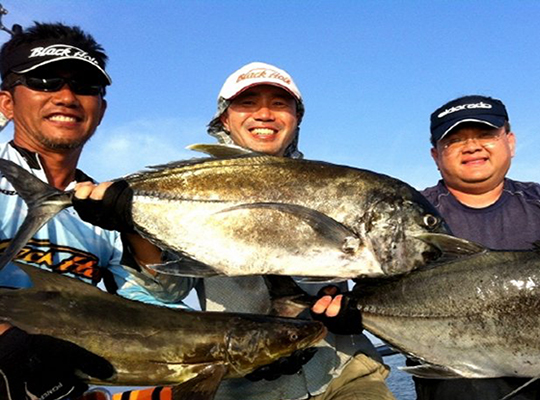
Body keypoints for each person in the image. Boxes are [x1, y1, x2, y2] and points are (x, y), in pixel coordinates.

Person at [0, 22, 194, 400]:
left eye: (86, 87)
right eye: (45, 82)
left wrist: (134, 226)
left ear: (101, 109)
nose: (67, 96)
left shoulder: (103, 204)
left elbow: (157, 306)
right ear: (6, 102)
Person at [198, 62, 396, 400]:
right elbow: (164, 289)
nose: (264, 114)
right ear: (223, 120)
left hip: (345, 372)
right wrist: (128, 228)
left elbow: (380, 267)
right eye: (247, 103)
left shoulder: (337, 188)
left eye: (279, 104)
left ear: (296, 118)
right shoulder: (191, 189)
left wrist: (362, 306)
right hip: (244, 389)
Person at [410, 95, 540, 399]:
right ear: (435, 155)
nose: (472, 146)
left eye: (485, 134)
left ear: (510, 142)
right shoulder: (410, 215)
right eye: (454, 140)